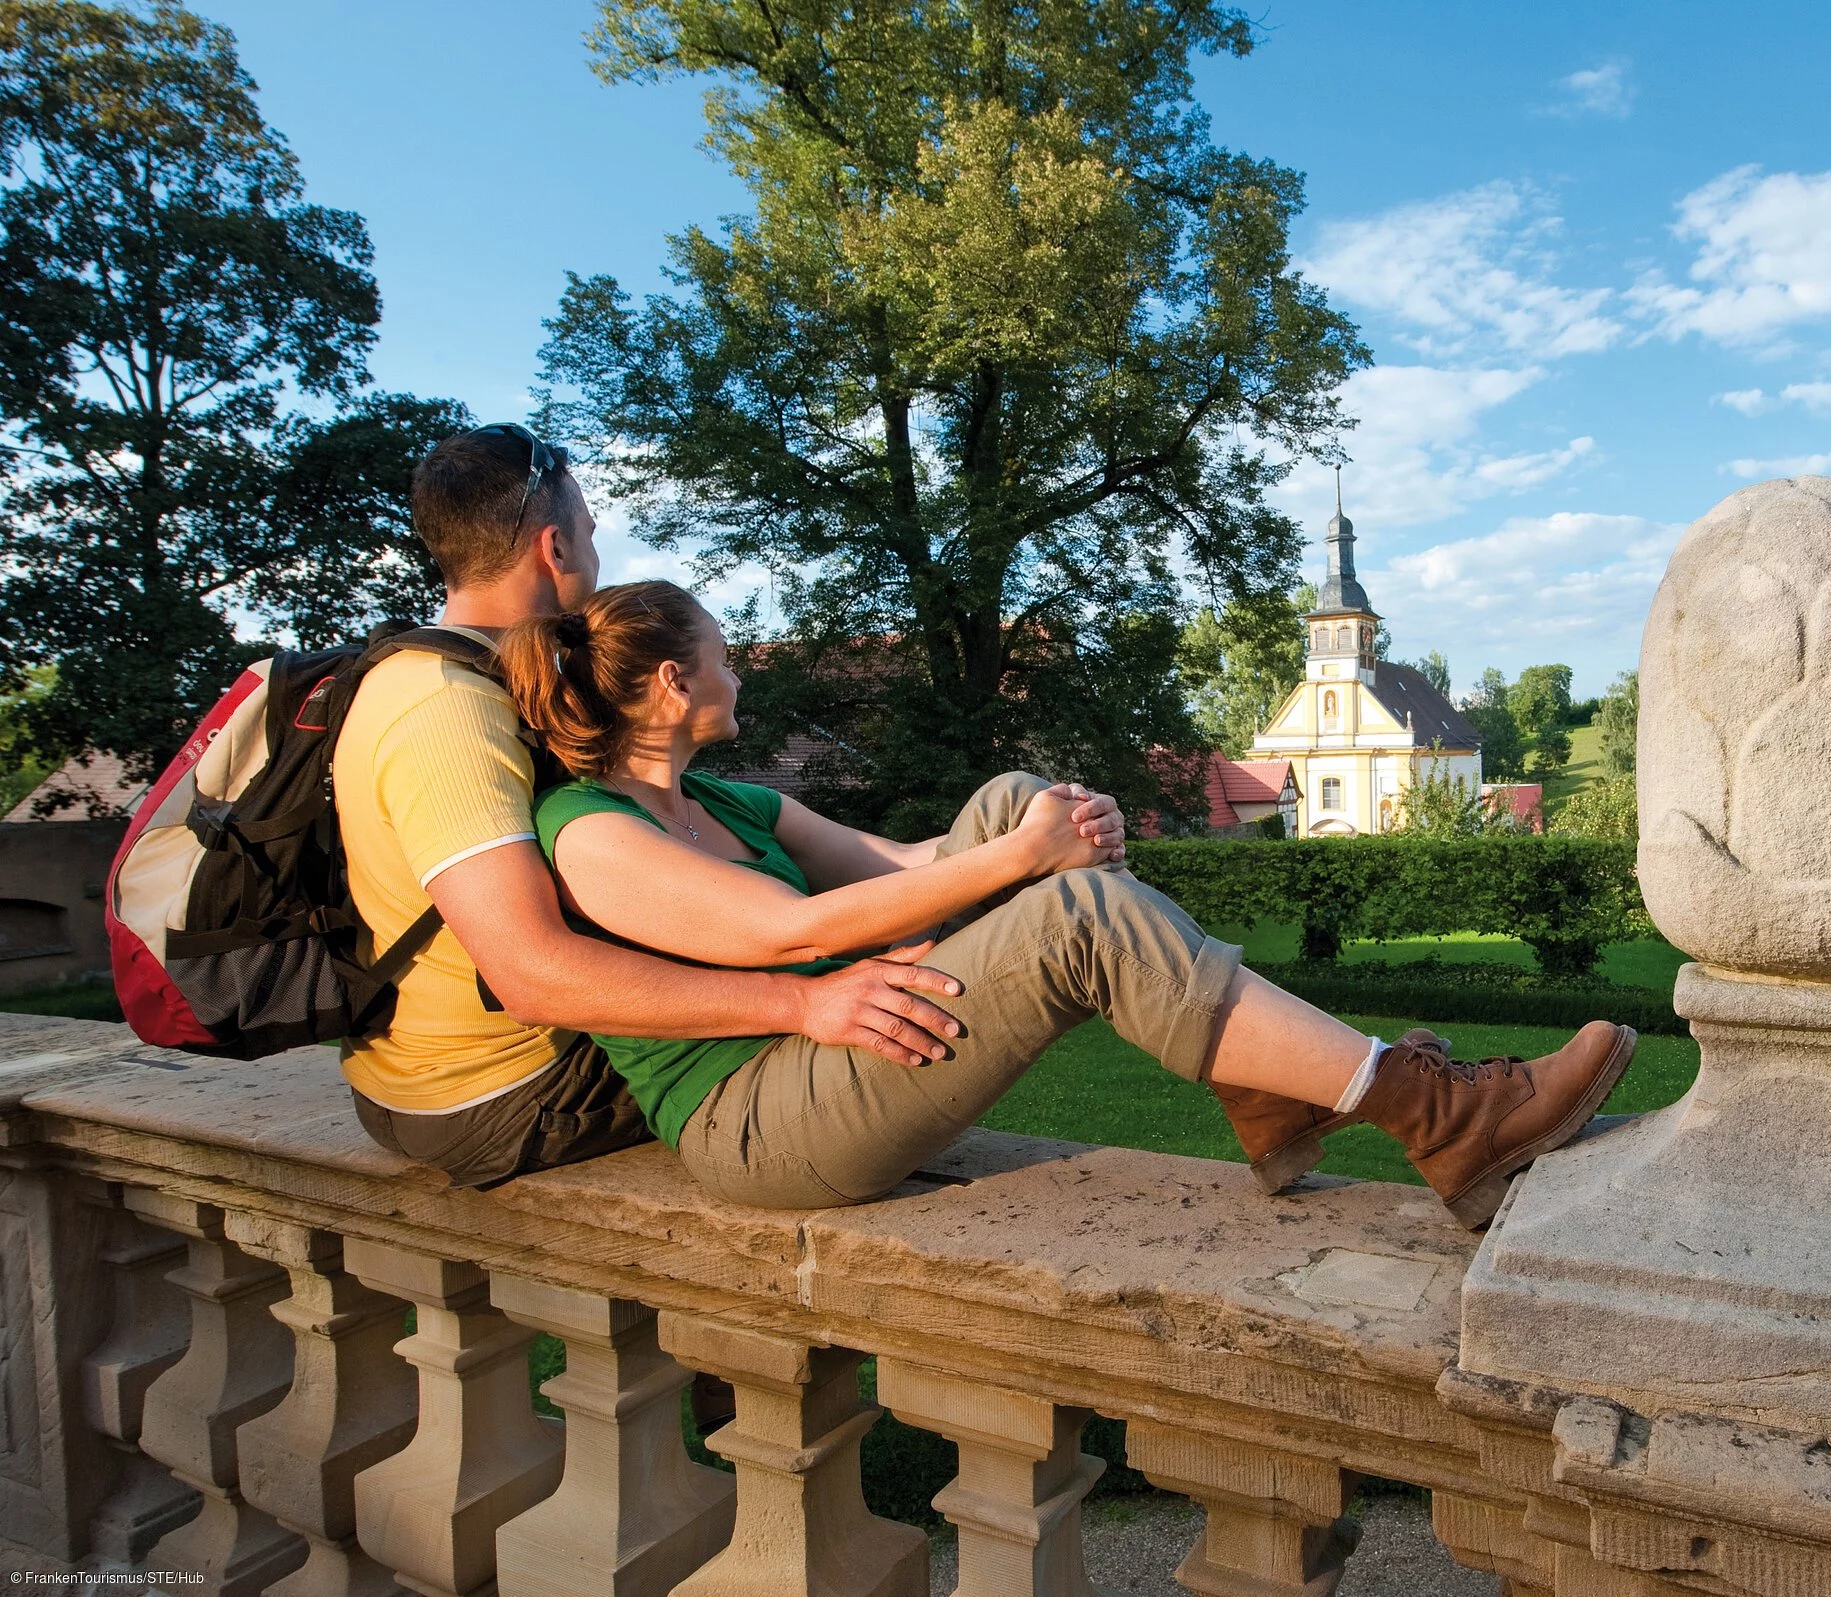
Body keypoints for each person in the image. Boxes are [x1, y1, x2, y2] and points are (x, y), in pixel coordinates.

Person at [496, 579, 1638, 1227]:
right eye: (725, 659)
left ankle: (1273, 1086)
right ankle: (1434, 1116)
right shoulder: (593, 833)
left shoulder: (731, 803)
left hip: (854, 1026)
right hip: (757, 1122)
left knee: (1010, 797)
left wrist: (1048, 827)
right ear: (671, 684)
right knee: (1076, 917)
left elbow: (906, 863)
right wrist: (1033, 866)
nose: (739, 674)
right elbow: (784, 934)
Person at [330, 425, 1027, 1189]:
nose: (597, 563)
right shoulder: (447, 709)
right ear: (556, 548)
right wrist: (804, 1001)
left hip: (441, 1068)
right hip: (499, 1091)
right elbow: (531, 973)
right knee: (861, 1024)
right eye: (592, 537)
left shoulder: (457, 679)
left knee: (897, 952)